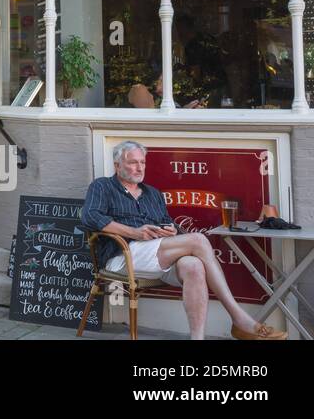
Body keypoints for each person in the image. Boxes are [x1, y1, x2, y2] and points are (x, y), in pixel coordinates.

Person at [81, 140, 284, 340]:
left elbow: (168, 223)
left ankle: (197, 338)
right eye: (133, 162)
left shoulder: (152, 193)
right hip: (122, 255)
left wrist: (171, 230)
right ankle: (240, 319)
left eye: (142, 162)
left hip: (157, 256)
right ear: (117, 165)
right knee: (198, 240)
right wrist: (134, 232)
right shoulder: (102, 186)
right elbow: (90, 217)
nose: (139, 167)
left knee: (194, 265)